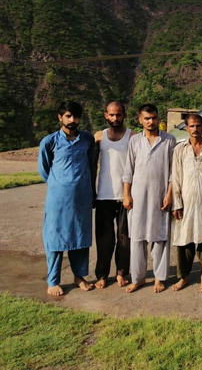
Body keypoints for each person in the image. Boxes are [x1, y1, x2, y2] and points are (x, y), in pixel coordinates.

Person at [38, 101, 95, 296]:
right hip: (58, 200)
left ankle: (79, 276)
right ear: (60, 117)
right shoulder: (50, 141)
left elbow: (91, 165)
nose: (72, 120)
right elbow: (43, 169)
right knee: (54, 238)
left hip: (82, 198)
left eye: (76, 116)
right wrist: (59, 184)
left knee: (80, 236)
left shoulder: (87, 140)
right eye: (68, 116)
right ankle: (53, 280)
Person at [122, 104, 176, 293]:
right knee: (137, 237)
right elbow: (128, 170)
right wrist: (126, 195)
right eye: (147, 118)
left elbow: (173, 172)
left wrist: (169, 194)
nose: (151, 122)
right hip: (138, 196)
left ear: (158, 118)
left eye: (153, 118)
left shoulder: (169, 140)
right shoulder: (135, 141)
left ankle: (160, 278)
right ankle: (138, 278)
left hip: (160, 196)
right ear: (140, 120)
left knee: (160, 236)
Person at [171, 113, 202, 292]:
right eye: (191, 126)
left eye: (198, 126)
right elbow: (176, 177)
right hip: (186, 201)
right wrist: (177, 203)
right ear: (186, 128)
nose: (195, 129)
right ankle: (184, 277)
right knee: (184, 241)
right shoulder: (180, 150)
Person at [93, 101, 133, 289]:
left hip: (126, 195)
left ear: (124, 115)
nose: (115, 118)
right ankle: (102, 274)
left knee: (125, 238)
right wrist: (92, 191)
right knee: (104, 238)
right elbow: (93, 165)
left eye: (118, 114)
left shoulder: (133, 136)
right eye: (112, 115)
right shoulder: (99, 137)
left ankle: (121, 272)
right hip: (104, 195)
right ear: (105, 116)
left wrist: (131, 193)